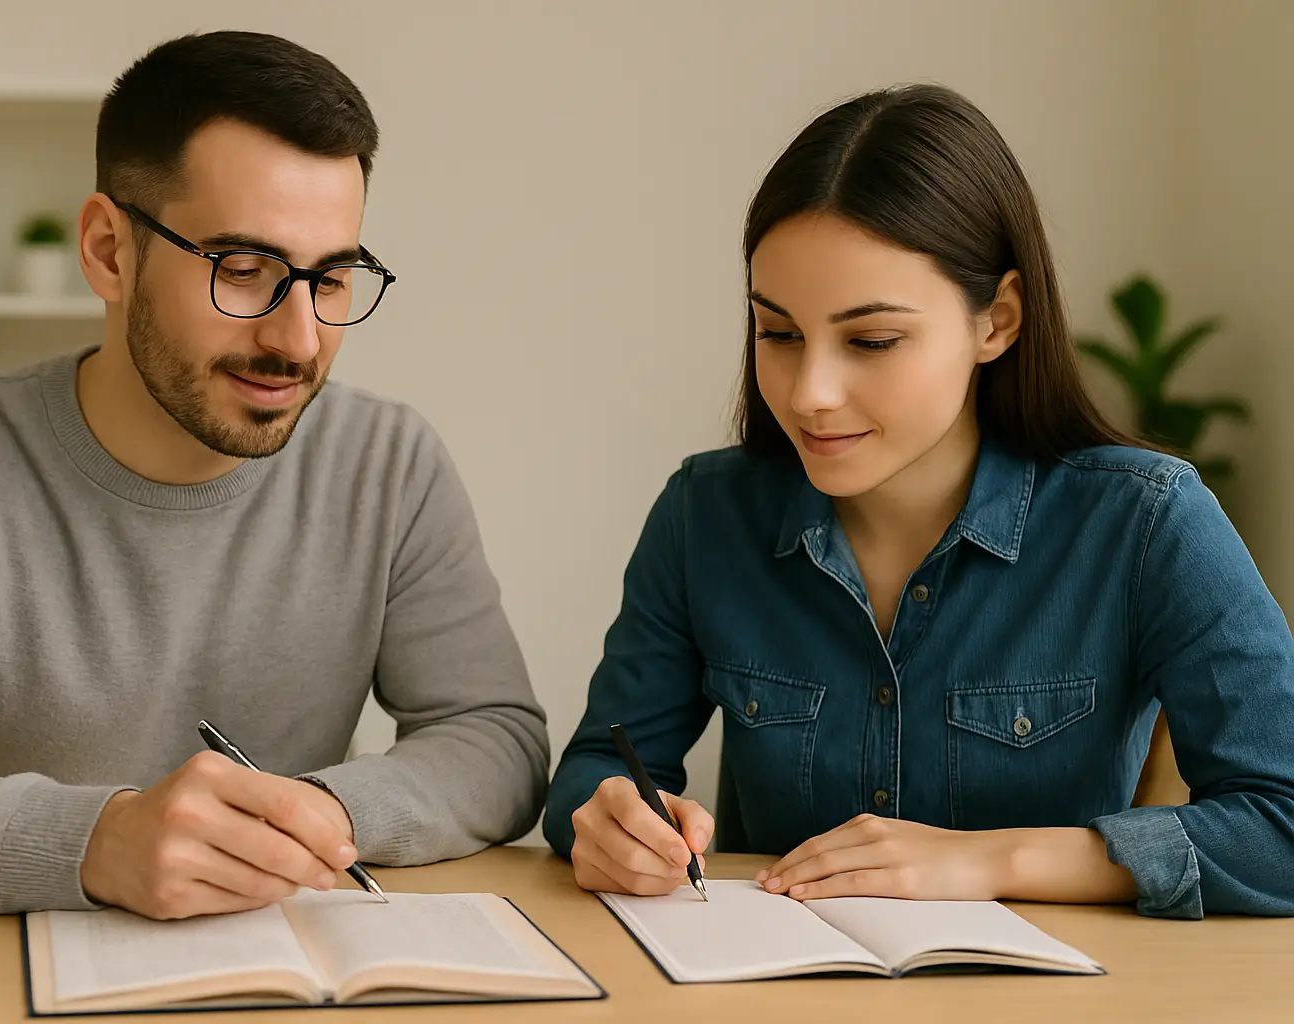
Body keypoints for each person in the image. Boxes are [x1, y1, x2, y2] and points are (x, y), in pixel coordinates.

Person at [0, 31, 548, 919]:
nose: (297, 340)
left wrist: (321, 814)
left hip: (281, 966)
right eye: (243, 271)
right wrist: (98, 841)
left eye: (331, 280)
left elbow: (495, 738)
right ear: (108, 251)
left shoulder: (389, 463)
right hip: (4, 972)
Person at [543, 84, 1294, 919]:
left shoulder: (1148, 522)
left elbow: (1282, 823)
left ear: (996, 321)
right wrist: (610, 824)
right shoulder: (704, 516)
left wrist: (993, 861)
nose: (811, 392)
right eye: (779, 333)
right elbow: (597, 770)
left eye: (871, 340)